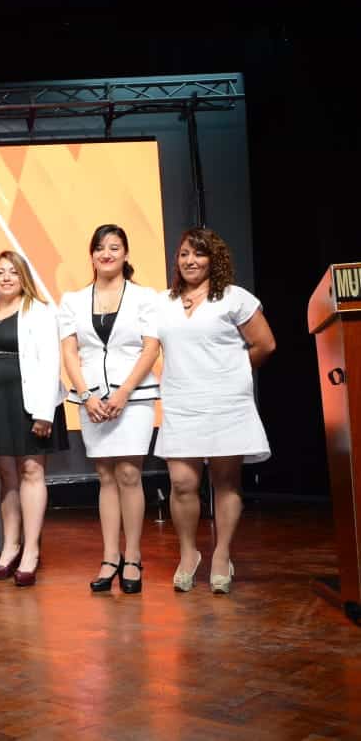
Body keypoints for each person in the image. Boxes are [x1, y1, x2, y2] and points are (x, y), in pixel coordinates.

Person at [155, 227, 275, 594]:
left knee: (225, 482)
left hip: (226, 402)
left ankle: (222, 554)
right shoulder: (163, 302)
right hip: (181, 403)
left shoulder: (234, 298)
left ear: (214, 259)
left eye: (199, 254)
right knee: (182, 483)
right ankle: (188, 554)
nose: (190, 261)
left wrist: (232, 373)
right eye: (184, 254)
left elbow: (265, 344)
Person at [59, 224, 160, 594]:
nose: (107, 254)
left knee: (130, 474)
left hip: (134, 396)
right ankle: (109, 557)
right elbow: (70, 351)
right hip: (92, 399)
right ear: (91, 255)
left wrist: (124, 392)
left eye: (114, 247)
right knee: (105, 476)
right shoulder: (72, 300)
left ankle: (132, 557)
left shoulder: (145, 297)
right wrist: (86, 395)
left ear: (126, 254)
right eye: (100, 248)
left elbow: (151, 347)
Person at [0, 251, 67, 587]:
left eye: (13, 272)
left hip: (30, 402)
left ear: (23, 277)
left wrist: (44, 412)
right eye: (0, 272)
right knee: (7, 476)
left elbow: (50, 362)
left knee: (31, 472)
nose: (6, 278)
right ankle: (10, 547)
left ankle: (31, 551)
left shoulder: (40, 311)